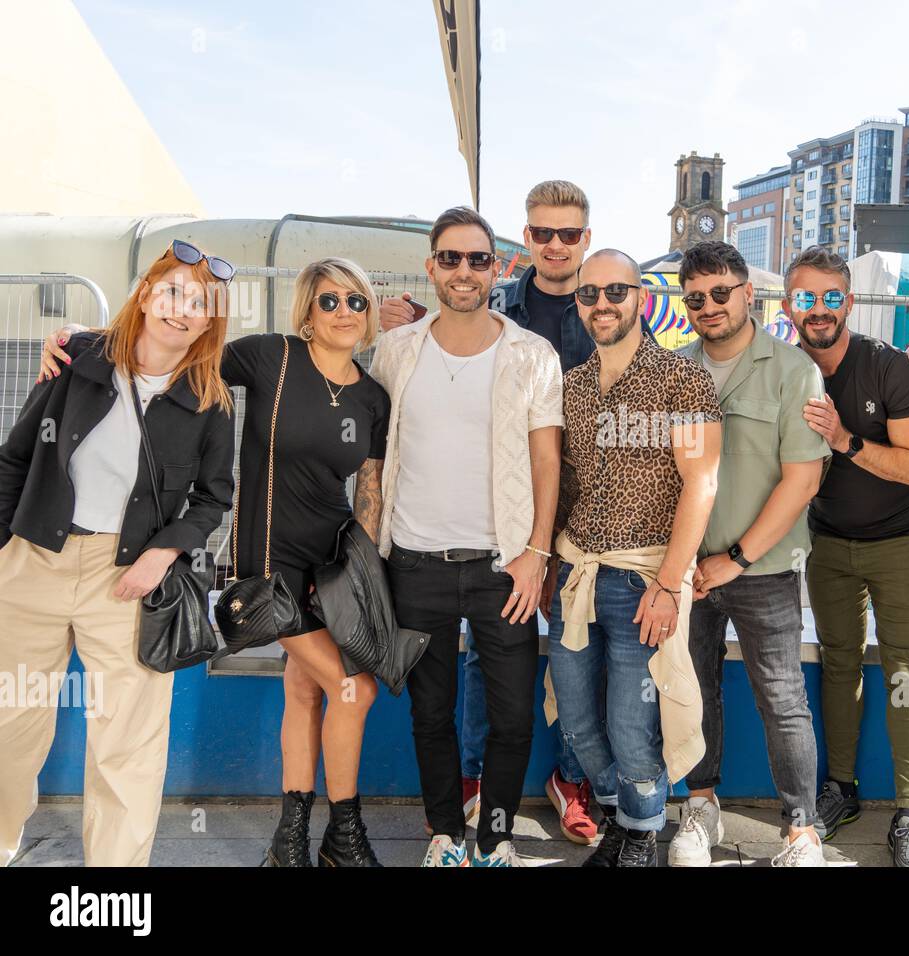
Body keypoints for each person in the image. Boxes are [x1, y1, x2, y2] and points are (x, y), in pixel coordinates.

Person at [39, 255, 393, 868]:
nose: (343, 311)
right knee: (351, 688)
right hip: (267, 563)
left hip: (331, 566)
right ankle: (344, 837)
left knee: (308, 693)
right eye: (329, 300)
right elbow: (175, 348)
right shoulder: (272, 358)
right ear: (307, 309)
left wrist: (356, 581)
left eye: (355, 301)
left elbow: (369, 491)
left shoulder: (372, 396)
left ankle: (289, 844)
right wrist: (78, 342)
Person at [0, 240, 235, 866]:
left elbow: (214, 501)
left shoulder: (210, 401)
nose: (183, 310)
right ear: (145, 292)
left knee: (126, 746)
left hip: (128, 578)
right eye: (173, 292)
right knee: (10, 731)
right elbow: (14, 459)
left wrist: (163, 553)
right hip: (33, 561)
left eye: (201, 304)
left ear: (212, 321)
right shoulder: (77, 359)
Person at [380, 181, 597, 844]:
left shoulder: (531, 355)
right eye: (451, 258)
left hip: (506, 564)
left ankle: (496, 836)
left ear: (497, 266)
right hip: (415, 564)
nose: (464, 271)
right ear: (432, 266)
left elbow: (546, 463)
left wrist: (535, 554)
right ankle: (447, 835)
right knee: (431, 714)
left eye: (477, 259)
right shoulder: (395, 351)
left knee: (511, 718)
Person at [545, 248, 722, 867]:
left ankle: (641, 835)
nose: (602, 304)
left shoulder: (683, 379)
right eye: (589, 294)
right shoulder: (570, 386)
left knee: (632, 723)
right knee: (574, 718)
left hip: (645, 579)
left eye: (615, 292)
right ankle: (624, 818)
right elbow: (561, 485)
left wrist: (671, 585)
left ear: (640, 298)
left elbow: (701, 483)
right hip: (575, 577)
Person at [669, 241, 828, 868]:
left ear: (747, 294)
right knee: (692, 691)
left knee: (783, 698)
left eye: (720, 293)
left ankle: (801, 829)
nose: (709, 306)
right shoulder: (673, 370)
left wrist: (733, 558)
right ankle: (700, 807)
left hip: (761, 568)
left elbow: (803, 480)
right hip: (686, 570)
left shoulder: (793, 371)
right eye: (696, 298)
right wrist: (681, 562)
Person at [789, 247, 909, 866]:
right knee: (839, 667)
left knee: (905, 671)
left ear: (849, 301)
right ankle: (840, 789)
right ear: (791, 306)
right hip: (827, 544)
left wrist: (846, 441)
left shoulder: (886, 366)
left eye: (830, 297)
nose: (819, 309)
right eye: (806, 298)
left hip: (899, 543)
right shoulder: (787, 368)